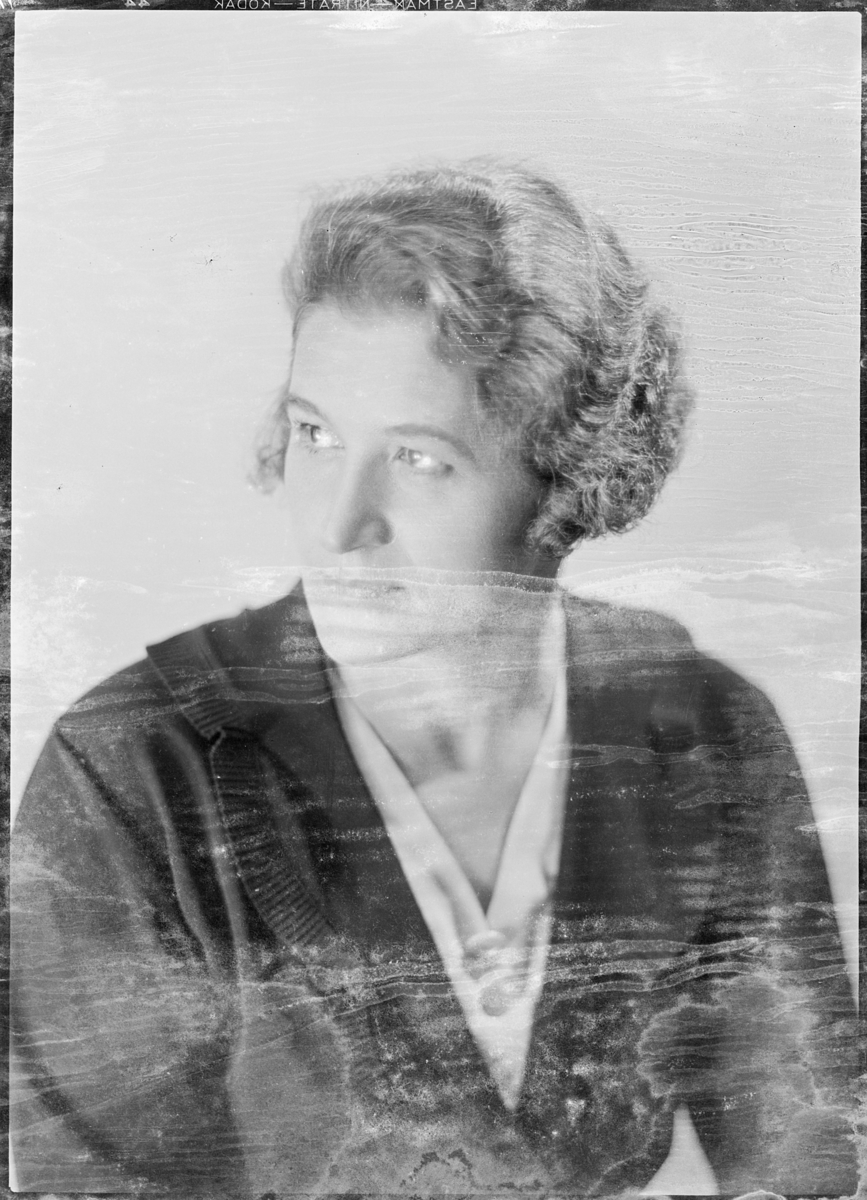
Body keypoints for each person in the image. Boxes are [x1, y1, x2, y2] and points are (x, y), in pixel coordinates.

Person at [11, 161, 856, 1196]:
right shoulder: (132, 772)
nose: (337, 525)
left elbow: (811, 1154)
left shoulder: (701, 726)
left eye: (417, 459)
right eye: (316, 434)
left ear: (564, 480)